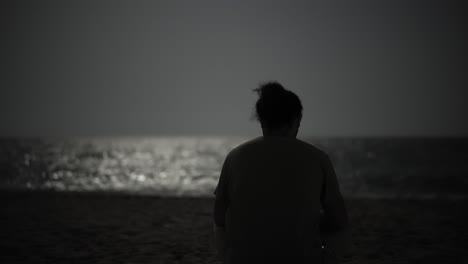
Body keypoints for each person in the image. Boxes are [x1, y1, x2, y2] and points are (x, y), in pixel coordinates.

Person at [213, 82, 351, 264]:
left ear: (261, 121)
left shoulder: (235, 156)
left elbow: (219, 215)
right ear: (295, 120)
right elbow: (338, 219)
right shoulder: (317, 158)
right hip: (300, 258)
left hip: (244, 259)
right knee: (338, 234)